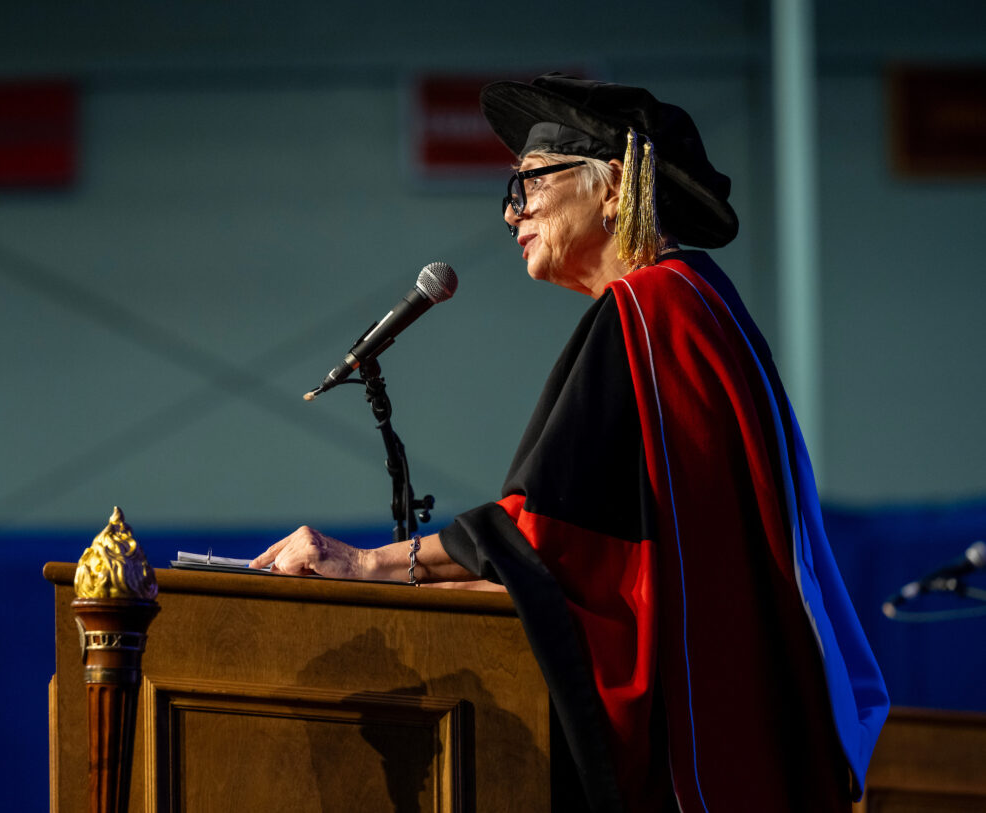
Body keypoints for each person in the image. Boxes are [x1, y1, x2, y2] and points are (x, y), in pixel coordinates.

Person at [251, 74, 889, 812]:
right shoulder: (699, 308)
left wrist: (362, 563)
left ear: (614, 187)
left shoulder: (649, 313)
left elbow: (542, 540)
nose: (511, 213)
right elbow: (614, 558)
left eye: (528, 185)